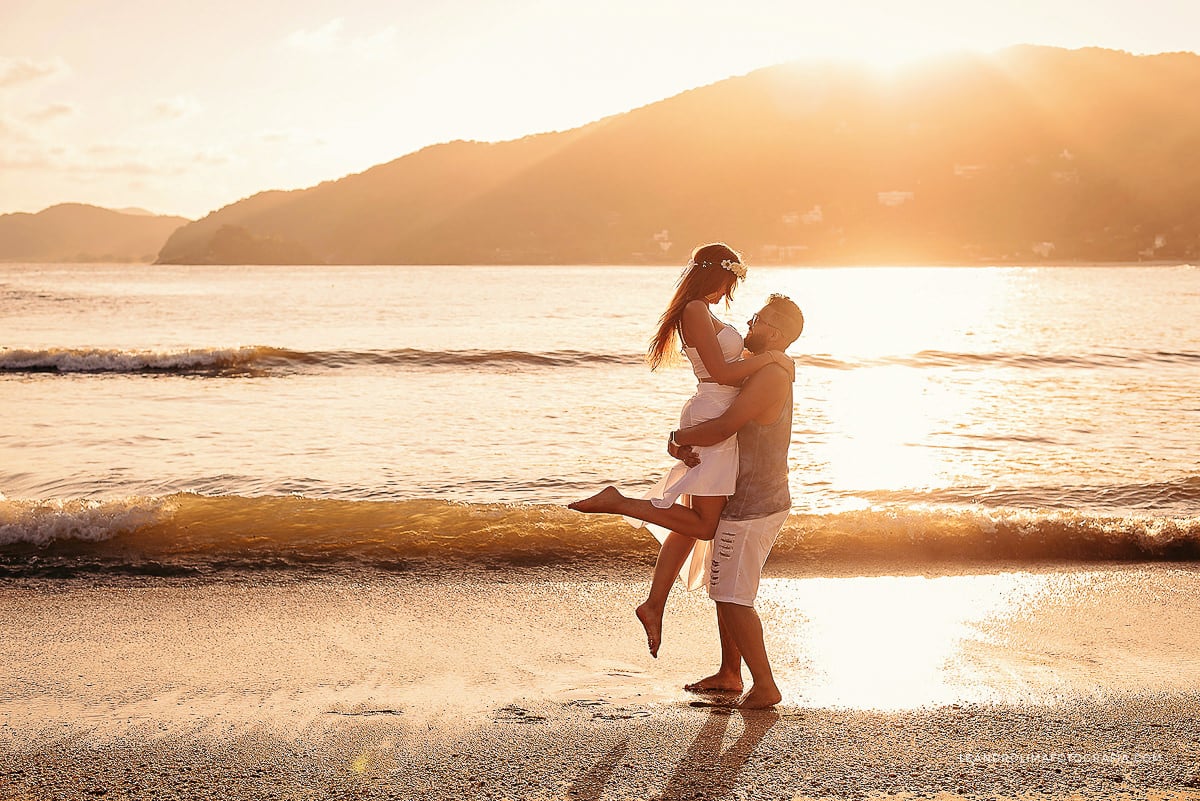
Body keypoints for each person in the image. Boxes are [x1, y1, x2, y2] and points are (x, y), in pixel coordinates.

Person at [568, 243, 792, 658]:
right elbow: (723, 372)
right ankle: (621, 502)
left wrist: (765, 361)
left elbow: (730, 368)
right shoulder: (693, 309)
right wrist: (771, 358)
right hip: (714, 412)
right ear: (720, 274)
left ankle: (654, 605)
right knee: (705, 525)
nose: (734, 289)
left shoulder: (703, 311)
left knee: (689, 525)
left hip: (716, 412)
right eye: (734, 279)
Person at [668, 293, 804, 708]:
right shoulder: (767, 365)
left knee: (732, 595)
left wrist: (678, 439)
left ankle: (765, 685)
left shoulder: (772, 376)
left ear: (775, 332)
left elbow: (726, 425)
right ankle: (730, 673)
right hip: (745, 495)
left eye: (757, 319)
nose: (749, 323)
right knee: (722, 584)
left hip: (754, 502)